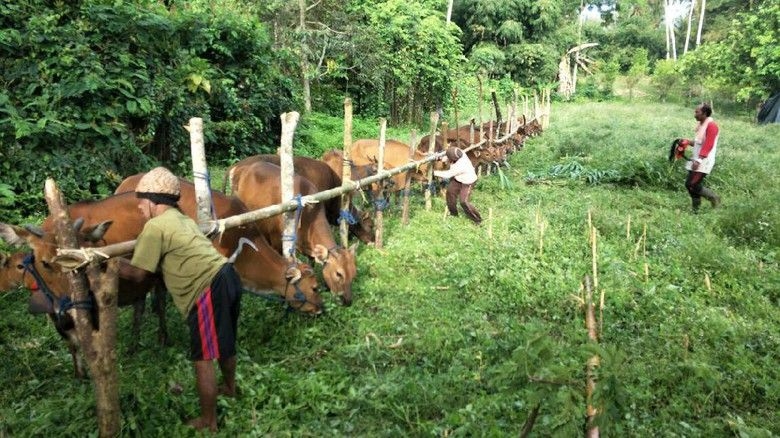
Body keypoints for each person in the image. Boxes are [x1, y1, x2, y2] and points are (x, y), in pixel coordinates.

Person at [119, 167, 242, 432]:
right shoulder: (182, 218)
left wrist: (107, 262)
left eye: (141, 202)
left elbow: (138, 275)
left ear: (152, 202)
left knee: (203, 356)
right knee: (226, 340)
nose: (139, 208)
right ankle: (230, 388)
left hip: (207, 287)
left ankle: (208, 421)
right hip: (228, 274)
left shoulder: (155, 227)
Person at [684, 103, 721, 213]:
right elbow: (698, 143)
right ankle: (696, 209)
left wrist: (700, 159)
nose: (695, 114)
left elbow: (708, 144)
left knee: (693, 184)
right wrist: (686, 142)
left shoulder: (711, 126)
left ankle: (714, 198)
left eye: (697, 112)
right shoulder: (702, 125)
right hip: (697, 159)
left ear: (704, 113)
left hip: (704, 160)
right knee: (689, 184)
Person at [433, 147, 482, 225]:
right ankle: (453, 213)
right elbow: (447, 156)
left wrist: (434, 173)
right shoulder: (458, 152)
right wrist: (439, 157)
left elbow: (448, 174)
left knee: (463, 201)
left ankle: (477, 219)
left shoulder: (461, 165)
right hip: (458, 179)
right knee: (450, 193)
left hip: (468, 181)